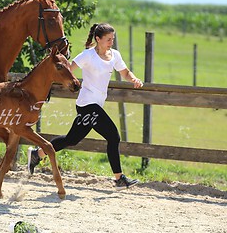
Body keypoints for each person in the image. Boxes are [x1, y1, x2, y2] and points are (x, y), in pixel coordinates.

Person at [27, 23, 143, 190]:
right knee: (113, 137)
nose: (111, 42)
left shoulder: (114, 55)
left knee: (71, 140)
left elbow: (124, 72)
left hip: (95, 105)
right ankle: (119, 179)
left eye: (113, 39)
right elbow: (68, 69)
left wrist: (134, 79)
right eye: (108, 39)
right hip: (87, 104)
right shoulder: (88, 55)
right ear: (98, 39)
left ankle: (37, 154)